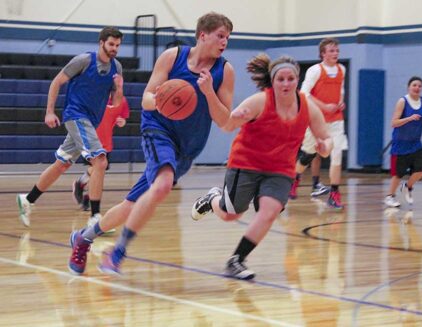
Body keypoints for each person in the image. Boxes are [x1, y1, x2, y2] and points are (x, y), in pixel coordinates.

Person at [67, 12, 235, 275]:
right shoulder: (173, 57)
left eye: (228, 37)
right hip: (158, 130)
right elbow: (146, 98)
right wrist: (162, 100)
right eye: (221, 36)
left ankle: (83, 238)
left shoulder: (224, 71)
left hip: (188, 147)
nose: (225, 42)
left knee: (131, 205)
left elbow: (225, 122)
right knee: (163, 185)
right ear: (203, 35)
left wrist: (208, 92)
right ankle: (117, 253)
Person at [191, 53, 333, 280]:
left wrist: (324, 147)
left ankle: (236, 260)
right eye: (280, 79)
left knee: (269, 212)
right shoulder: (259, 102)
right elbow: (227, 125)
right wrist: (209, 92)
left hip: (280, 170)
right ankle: (212, 199)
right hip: (246, 163)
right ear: (273, 80)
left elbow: (326, 138)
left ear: (297, 80)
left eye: (290, 79)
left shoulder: (308, 107)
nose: (286, 84)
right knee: (230, 215)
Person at [16, 26, 124, 227]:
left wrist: (120, 88)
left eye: (117, 45)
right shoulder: (84, 61)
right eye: (111, 44)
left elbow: (116, 103)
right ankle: (95, 218)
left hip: (91, 121)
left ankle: (27, 199)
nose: (114, 49)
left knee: (62, 164)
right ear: (101, 43)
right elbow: (57, 82)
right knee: (100, 163)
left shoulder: (116, 68)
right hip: (76, 116)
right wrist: (49, 111)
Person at [288, 38, 348, 209]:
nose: (335, 53)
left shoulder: (341, 69)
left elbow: (341, 91)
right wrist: (324, 106)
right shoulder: (315, 70)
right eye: (331, 51)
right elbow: (304, 93)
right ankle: (294, 178)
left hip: (336, 120)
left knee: (337, 156)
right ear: (323, 53)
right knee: (308, 155)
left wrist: (341, 102)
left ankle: (334, 194)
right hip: (315, 120)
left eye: (337, 50)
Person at [72, 95, 130, 217]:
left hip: (106, 142)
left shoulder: (122, 100)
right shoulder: (94, 97)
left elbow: (123, 118)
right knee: (98, 170)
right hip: (91, 140)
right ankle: (89, 198)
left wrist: (121, 122)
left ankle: (81, 184)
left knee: (98, 170)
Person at [384, 76, 422, 208]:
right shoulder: (402, 101)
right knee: (398, 174)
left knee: (421, 169)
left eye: (419, 86)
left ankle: (408, 186)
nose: (417, 88)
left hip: (416, 143)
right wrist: (409, 118)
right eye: (414, 85)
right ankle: (390, 197)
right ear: (409, 87)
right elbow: (393, 123)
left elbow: (420, 118)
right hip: (400, 144)